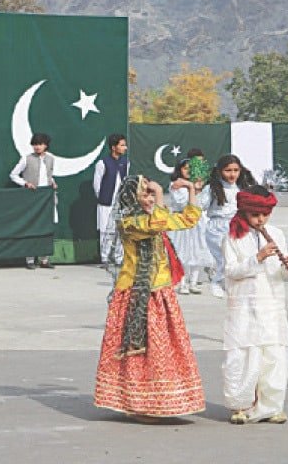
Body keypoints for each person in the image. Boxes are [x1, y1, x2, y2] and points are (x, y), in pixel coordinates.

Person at [93, 175, 206, 419]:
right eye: (144, 194)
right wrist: (160, 197)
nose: (149, 198)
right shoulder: (129, 221)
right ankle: (136, 403)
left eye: (149, 193)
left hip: (159, 292)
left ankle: (160, 401)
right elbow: (156, 224)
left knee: (162, 349)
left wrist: (190, 190)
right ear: (131, 198)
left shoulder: (154, 216)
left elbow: (189, 219)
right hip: (136, 293)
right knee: (141, 351)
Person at [222, 185, 288, 425]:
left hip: (272, 305)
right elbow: (231, 271)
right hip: (245, 305)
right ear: (244, 212)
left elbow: (280, 273)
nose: (260, 219)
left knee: (274, 355)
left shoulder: (277, 233)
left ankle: (272, 407)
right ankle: (241, 406)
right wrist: (258, 258)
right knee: (244, 356)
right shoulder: (233, 237)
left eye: (265, 214)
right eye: (255, 215)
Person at [199, 155, 257, 298]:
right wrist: (195, 190)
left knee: (241, 255)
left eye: (235, 170)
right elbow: (201, 205)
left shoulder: (243, 186)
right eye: (228, 170)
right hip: (218, 227)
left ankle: (236, 283)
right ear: (220, 171)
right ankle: (217, 282)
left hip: (239, 224)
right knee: (224, 257)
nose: (232, 174)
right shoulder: (212, 188)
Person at [9, 132, 57, 269]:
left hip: (47, 198)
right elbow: (13, 175)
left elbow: (48, 175)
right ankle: (30, 259)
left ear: (45, 145)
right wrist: (26, 183)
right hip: (32, 199)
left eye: (40, 144)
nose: (37, 147)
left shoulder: (51, 159)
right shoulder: (26, 159)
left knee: (46, 227)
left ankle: (44, 259)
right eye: (35, 144)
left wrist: (52, 182)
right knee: (30, 226)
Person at [168, 158, 212, 295]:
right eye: (185, 168)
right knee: (182, 252)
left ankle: (194, 282)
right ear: (179, 169)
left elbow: (202, 204)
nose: (188, 171)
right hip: (181, 221)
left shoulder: (200, 186)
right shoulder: (176, 185)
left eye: (191, 169)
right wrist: (190, 187)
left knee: (197, 250)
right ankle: (182, 282)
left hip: (197, 222)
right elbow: (181, 204)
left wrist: (195, 188)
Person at [93, 133, 129, 266]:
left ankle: (119, 258)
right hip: (106, 204)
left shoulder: (126, 162)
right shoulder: (102, 163)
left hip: (121, 204)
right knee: (105, 231)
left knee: (120, 231)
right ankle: (105, 257)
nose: (125, 148)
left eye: (125, 145)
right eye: (122, 145)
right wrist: (104, 198)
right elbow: (97, 184)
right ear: (114, 147)